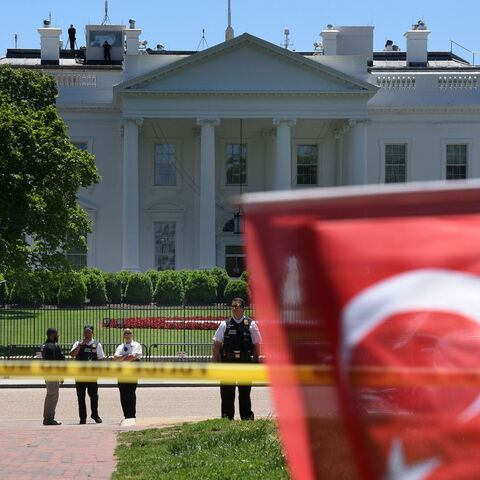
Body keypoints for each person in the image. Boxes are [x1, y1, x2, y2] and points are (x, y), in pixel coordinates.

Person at [213, 297, 262, 420]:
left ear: (244, 309)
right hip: (227, 365)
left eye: (237, 307)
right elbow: (217, 345)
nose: (234, 309)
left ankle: (246, 418)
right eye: (233, 307)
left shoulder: (251, 325)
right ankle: (226, 419)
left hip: (245, 365)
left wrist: (255, 362)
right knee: (227, 394)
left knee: (245, 394)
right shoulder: (225, 325)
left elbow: (257, 346)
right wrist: (215, 364)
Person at [70, 324, 104, 424]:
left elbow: (100, 359)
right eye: (85, 332)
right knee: (81, 396)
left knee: (93, 396)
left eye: (88, 332)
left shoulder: (97, 345)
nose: (86, 334)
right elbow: (72, 355)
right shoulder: (78, 343)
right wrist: (80, 345)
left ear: (92, 332)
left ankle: (95, 414)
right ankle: (82, 417)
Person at [114, 328, 142, 419]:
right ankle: (126, 416)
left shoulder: (136, 345)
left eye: (129, 333)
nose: (127, 335)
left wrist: (122, 358)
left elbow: (134, 357)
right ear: (123, 335)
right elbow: (115, 358)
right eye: (126, 333)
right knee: (123, 394)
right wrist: (127, 357)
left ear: (132, 335)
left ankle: (132, 415)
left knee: (131, 393)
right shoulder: (120, 346)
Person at [41, 328, 65, 426]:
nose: (58, 335)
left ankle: (49, 417)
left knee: (51, 395)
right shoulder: (51, 347)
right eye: (56, 334)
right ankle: (48, 418)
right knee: (52, 395)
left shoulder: (45, 345)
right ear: (52, 335)